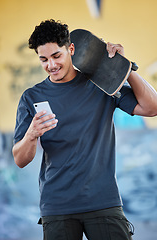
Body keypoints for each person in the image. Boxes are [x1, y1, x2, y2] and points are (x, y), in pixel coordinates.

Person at [12, 19, 157, 240]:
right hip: (57, 207)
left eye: (56, 56)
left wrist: (124, 67)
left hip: (103, 201)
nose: (51, 65)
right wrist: (31, 134)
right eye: (43, 59)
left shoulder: (102, 84)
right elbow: (20, 159)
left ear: (71, 49)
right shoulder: (31, 97)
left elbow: (152, 107)